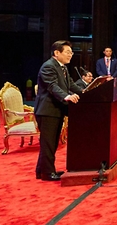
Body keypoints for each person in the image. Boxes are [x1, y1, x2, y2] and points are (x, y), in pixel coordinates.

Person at [34, 40, 88, 181]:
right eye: (68, 52)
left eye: (71, 52)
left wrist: (87, 92)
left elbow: (70, 84)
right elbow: (52, 86)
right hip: (47, 110)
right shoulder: (48, 67)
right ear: (57, 53)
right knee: (49, 143)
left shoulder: (62, 67)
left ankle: (42, 170)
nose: (71, 55)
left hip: (56, 109)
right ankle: (47, 173)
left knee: (51, 142)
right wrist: (67, 96)